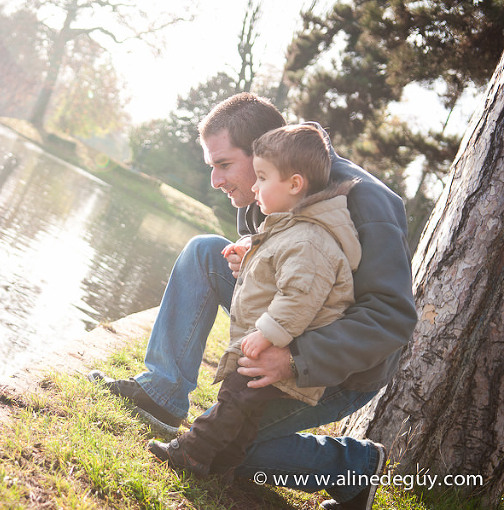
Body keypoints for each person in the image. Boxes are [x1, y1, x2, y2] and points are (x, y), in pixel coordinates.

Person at [88, 93, 417, 510]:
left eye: (224, 165)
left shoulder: (368, 201)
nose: (216, 180)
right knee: (205, 251)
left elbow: (391, 317)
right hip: (284, 323)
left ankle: (354, 467)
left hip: (340, 367)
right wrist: (254, 254)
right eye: (212, 166)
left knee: (223, 448)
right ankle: (162, 389)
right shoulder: (264, 188)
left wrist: (295, 359)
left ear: (264, 150)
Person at [146, 124, 362, 480]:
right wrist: (251, 248)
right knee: (246, 415)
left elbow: (299, 298)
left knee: (234, 399)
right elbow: (280, 267)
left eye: (262, 178)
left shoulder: (311, 239)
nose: (255, 187)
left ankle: (191, 451)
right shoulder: (294, 226)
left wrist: (267, 334)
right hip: (281, 343)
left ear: (294, 184)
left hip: (283, 349)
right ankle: (224, 466)